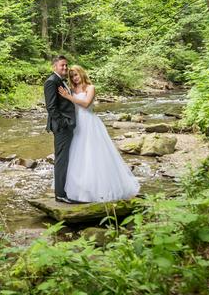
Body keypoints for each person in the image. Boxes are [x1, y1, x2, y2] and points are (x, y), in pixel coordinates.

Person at [56, 65, 140, 203]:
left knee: (93, 154)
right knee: (78, 155)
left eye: (76, 75)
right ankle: (78, 190)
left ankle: (99, 189)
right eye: (72, 76)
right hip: (76, 124)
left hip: (89, 123)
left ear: (82, 74)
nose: (74, 78)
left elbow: (86, 104)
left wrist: (69, 97)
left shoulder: (90, 88)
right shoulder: (71, 89)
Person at [43, 55, 78, 202]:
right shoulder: (51, 82)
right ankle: (60, 195)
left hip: (66, 125)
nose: (65, 68)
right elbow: (51, 107)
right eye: (62, 65)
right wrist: (64, 123)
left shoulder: (60, 81)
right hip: (62, 127)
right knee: (61, 160)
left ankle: (64, 191)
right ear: (54, 67)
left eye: (66, 65)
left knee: (65, 158)